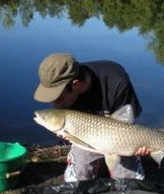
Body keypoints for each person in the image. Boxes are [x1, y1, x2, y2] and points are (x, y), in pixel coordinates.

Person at [34, 53, 150, 182]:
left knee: (129, 183)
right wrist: (66, 135)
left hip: (120, 138)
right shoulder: (63, 95)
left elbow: (127, 120)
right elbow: (65, 129)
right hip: (87, 137)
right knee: (77, 180)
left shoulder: (116, 80)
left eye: (59, 98)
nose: (55, 104)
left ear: (76, 84)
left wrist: (138, 145)